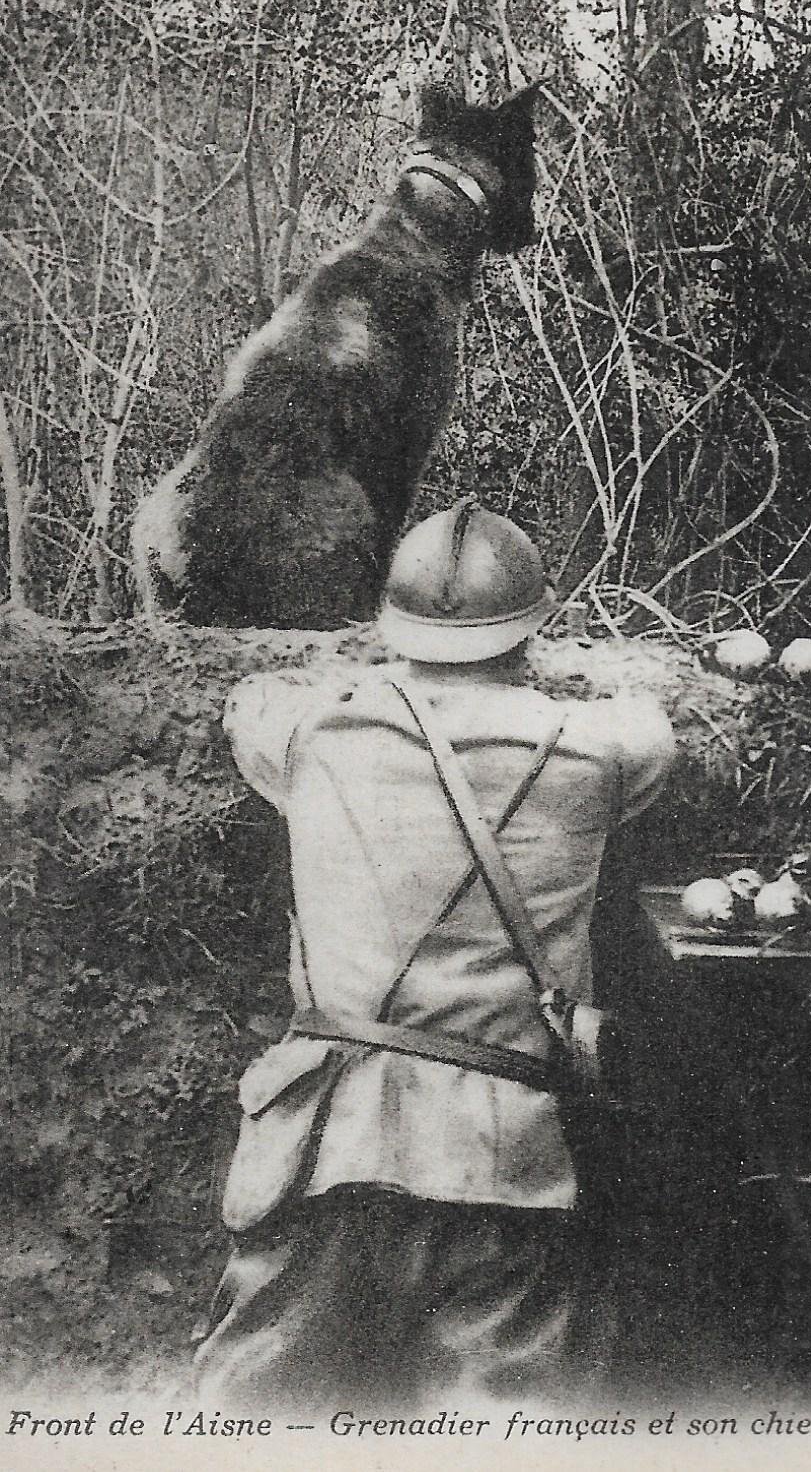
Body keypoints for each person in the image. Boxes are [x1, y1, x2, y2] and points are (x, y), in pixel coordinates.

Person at [193, 497, 675, 1410]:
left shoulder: (315, 733)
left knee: (251, 1423)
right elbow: (651, 722)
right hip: (502, 1161)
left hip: (320, 1149)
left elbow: (252, 700)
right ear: (531, 627)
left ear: (393, 625)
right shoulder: (600, 751)